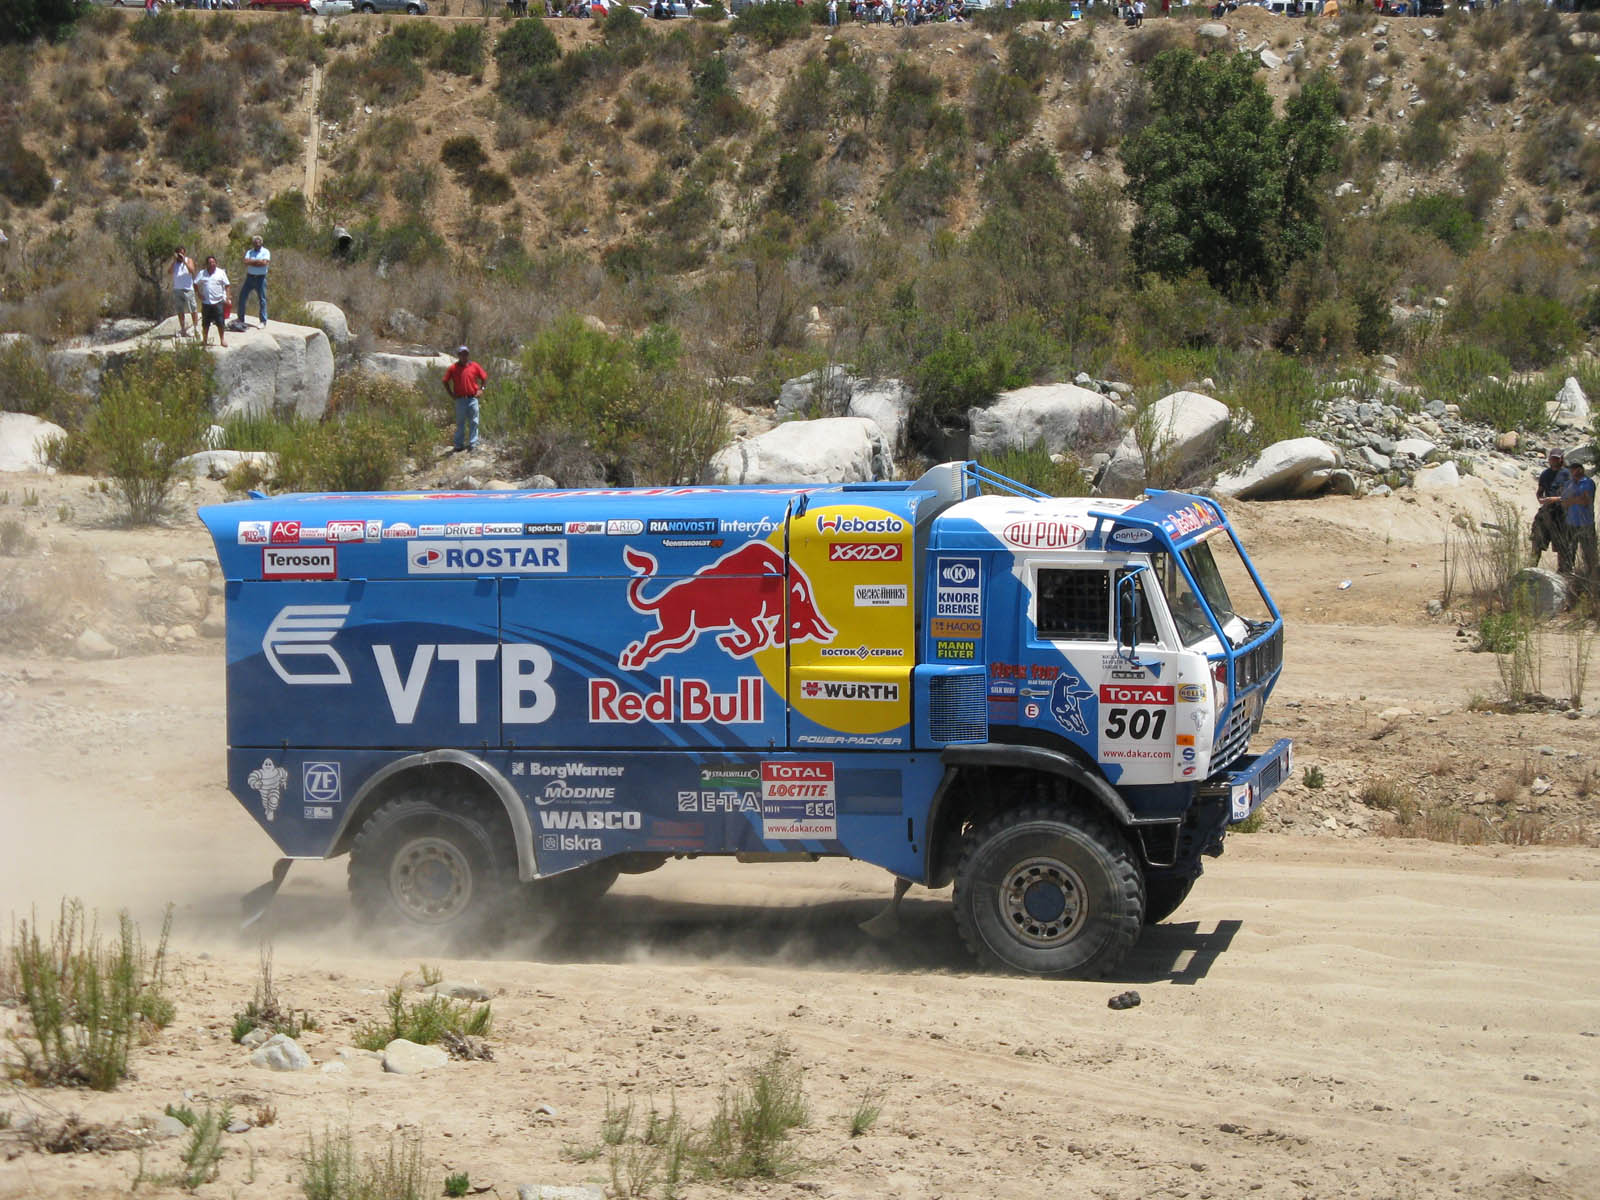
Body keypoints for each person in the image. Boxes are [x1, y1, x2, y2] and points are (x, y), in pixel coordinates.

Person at [443, 346, 488, 454]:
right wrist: (451, 394)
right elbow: (445, 381)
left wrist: (481, 389)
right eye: (461, 354)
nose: (464, 356)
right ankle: (458, 445)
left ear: (468, 354)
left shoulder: (474, 366)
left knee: (474, 421)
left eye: (466, 354)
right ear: (458, 355)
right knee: (460, 423)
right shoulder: (453, 368)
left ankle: (473, 443)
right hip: (460, 400)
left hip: (472, 398)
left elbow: (484, 378)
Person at [1559, 460, 1597, 585]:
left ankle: (1592, 578)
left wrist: (1572, 500)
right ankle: (1567, 577)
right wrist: (1575, 499)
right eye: (1571, 469)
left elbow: (1585, 501)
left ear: (1580, 469)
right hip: (1571, 522)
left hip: (1586, 523)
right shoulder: (1569, 484)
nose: (1572, 472)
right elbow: (1564, 503)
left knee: (1589, 553)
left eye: (1574, 469)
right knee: (1569, 551)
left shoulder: (1587, 483)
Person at [1531, 448, 1570, 566]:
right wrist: (1540, 499)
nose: (1553, 460)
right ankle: (1532, 569)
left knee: (1562, 547)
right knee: (1537, 541)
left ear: (1561, 459)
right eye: (1552, 458)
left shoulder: (1567, 474)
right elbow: (1540, 491)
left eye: (1556, 458)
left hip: (1562, 514)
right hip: (1547, 512)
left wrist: (1556, 499)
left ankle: (1564, 573)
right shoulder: (1545, 474)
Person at [195, 255, 230, 348]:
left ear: (216, 263)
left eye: (213, 262)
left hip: (218, 302)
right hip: (206, 303)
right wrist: (198, 293)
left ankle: (222, 339)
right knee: (205, 323)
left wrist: (227, 297)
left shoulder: (221, 272)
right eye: (210, 263)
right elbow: (195, 283)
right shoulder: (202, 273)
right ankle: (205, 340)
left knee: (220, 322)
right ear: (207, 264)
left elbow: (227, 285)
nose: (212, 264)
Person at [238, 234, 270, 328]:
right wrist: (258, 261)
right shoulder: (249, 252)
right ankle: (240, 319)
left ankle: (263, 321)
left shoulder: (266, 252)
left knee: (262, 300)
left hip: (261, 278)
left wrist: (252, 262)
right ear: (253, 243)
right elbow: (246, 262)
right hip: (250, 277)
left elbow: (264, 263)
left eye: (259, 242)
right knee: (242, 297)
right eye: (255, 242)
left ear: (261, 243)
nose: (257, 244)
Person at [171, 246, 198, 340]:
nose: (180, 255)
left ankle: (195, 328)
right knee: (180, 310)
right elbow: (169, 272)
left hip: (188, 289)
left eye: (182, 253)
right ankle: (182, 329)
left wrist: (184, 262)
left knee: (193, 309)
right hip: (177, 289)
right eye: (178, 253)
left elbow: (192, 271)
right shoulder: (174, 263)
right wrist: (174, 261)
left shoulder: (188, 260)